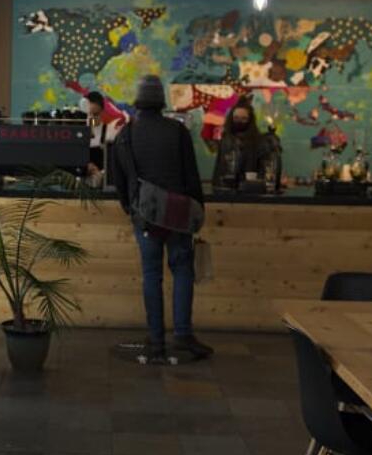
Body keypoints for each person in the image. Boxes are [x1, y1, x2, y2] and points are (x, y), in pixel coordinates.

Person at [111, 75, 212, 363]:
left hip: (146, 217)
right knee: (182, 271)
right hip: (179, 214)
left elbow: (120, 180)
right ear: (160, 103)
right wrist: (198, 213)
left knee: (151, 276)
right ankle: (182, 335)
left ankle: (156, 339)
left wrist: (130, 209)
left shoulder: (126, 135)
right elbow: (191, 176)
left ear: (138, 103)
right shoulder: (177, 132)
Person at [212, 97, 264, 188]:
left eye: (244, 119)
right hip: (227, 187)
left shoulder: (258, 141)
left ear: (250, 120)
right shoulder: (225, 140)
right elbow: (219, 167)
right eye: (236, 118)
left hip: (250, 189)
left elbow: (263, 169)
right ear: (231, 119)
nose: (239, 122)